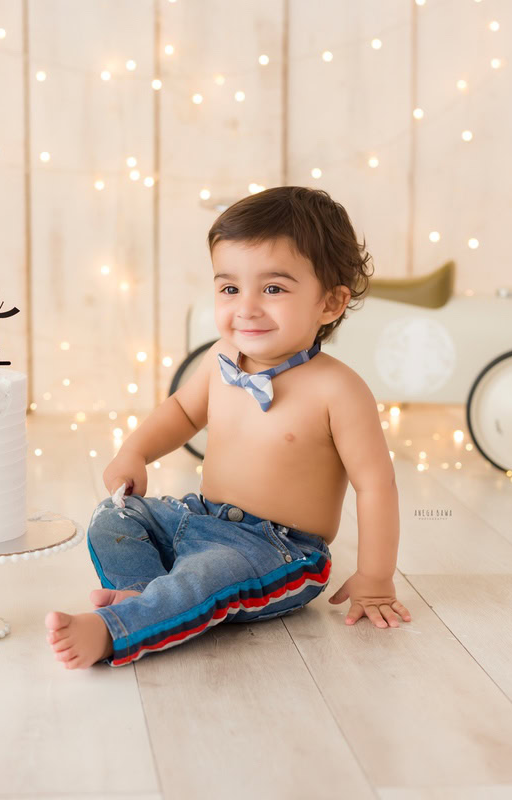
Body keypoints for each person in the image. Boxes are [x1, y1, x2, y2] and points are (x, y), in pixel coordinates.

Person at [45, 186, 412, 669]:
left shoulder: (338, 390)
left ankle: (118, 630)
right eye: (230, 288)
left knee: (207, 576)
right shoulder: (222, 358)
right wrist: (135, 451)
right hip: (199, 517)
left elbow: (375, 485)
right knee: (113, 517)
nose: (247, 307)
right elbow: (181, 411)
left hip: (277, 551)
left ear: (330, 303)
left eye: (274, 289)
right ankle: (143, 599)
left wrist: (376, 576)